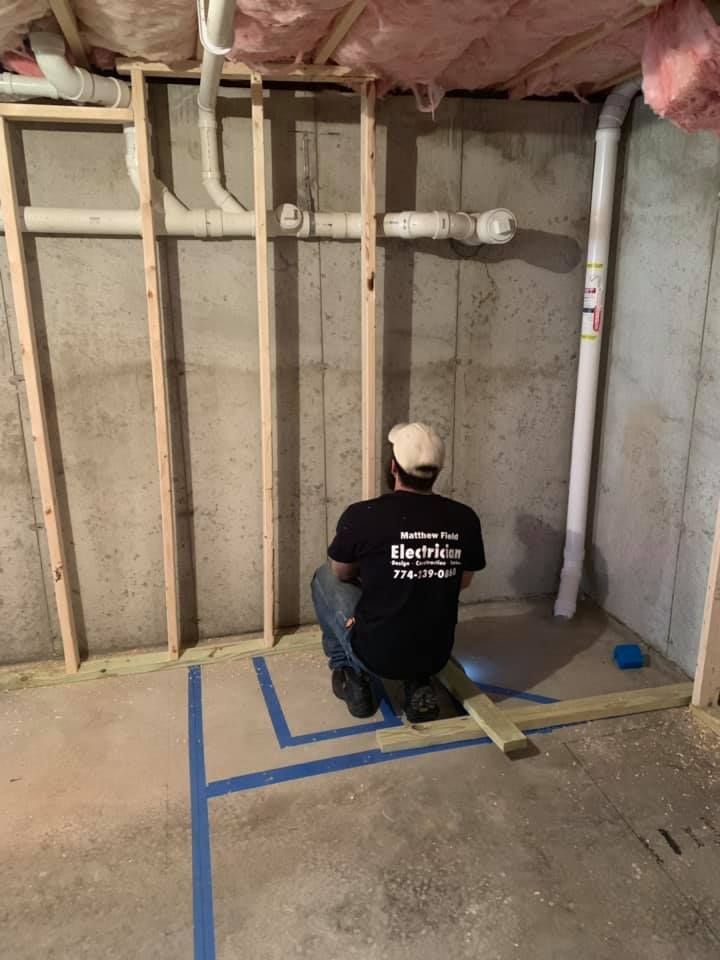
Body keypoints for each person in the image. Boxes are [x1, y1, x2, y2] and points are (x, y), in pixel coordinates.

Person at [311, 422, 486, 723]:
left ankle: (351, 674)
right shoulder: (464, 518)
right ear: (437, 471)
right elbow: (463, 581)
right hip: (435, 654)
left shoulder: (363, 514)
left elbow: (340, 572)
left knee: (323, 577)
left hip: (376, 655)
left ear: (393, 467)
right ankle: (418, 685)